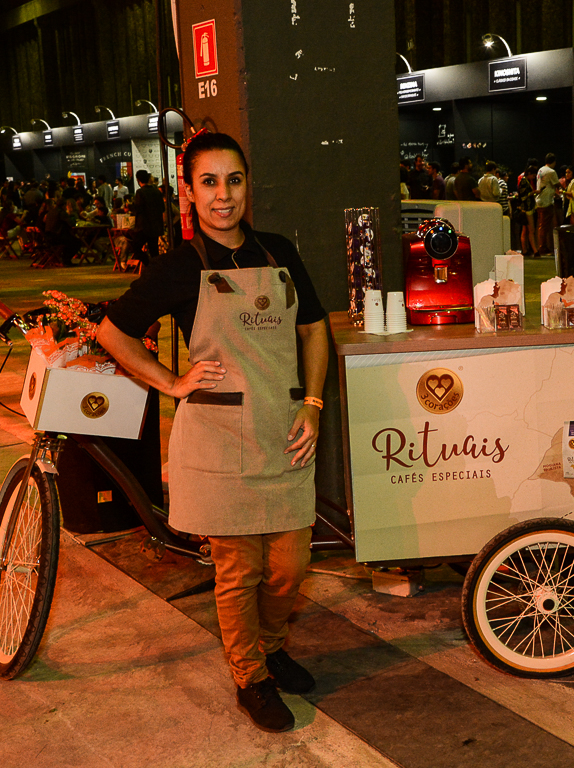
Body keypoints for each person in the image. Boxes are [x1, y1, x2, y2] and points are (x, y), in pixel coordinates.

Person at [97, 132, 328, 733]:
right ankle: (251, 676)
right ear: (190, 193)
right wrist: (171, 382)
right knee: (238, 571)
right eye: (209, 182)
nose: (223, 195)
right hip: (220, 438)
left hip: (284, 432)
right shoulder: (178, 267)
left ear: (248, 186)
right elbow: (113, 333)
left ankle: (271, 646)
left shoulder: (279, 252)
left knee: (289, 568)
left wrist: (313, 403)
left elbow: (313, 329)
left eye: (234, 180)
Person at [127, 169, 165, 262]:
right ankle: (156, 267)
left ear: (138, 180)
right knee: (154, 250)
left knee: (135, 247)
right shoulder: (157, 191)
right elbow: (162, 208)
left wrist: (130, 207)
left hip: (143, 226)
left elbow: (139, 208)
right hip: (155, 226)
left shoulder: (140, 192)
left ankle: (148, 264)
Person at [535, 153, 559, 256]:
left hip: (539, 200)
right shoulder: (551, 171)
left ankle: (543, 246)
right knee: (545, 226)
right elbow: (557, 184)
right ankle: (543, 247)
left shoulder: (541, 170)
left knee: (541, 225)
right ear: (554, 162)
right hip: (546, 201)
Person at [516, 165, 539, 257]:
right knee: (531, 230)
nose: (533, 178)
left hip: (526, 208)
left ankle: (526, 249)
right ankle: (535, 250)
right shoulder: (524, 181)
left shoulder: (524, 180)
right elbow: (523, 196)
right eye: (533, 175)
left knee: (525, 230)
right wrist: (533, 193)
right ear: (529, 174)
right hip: (527, 208)